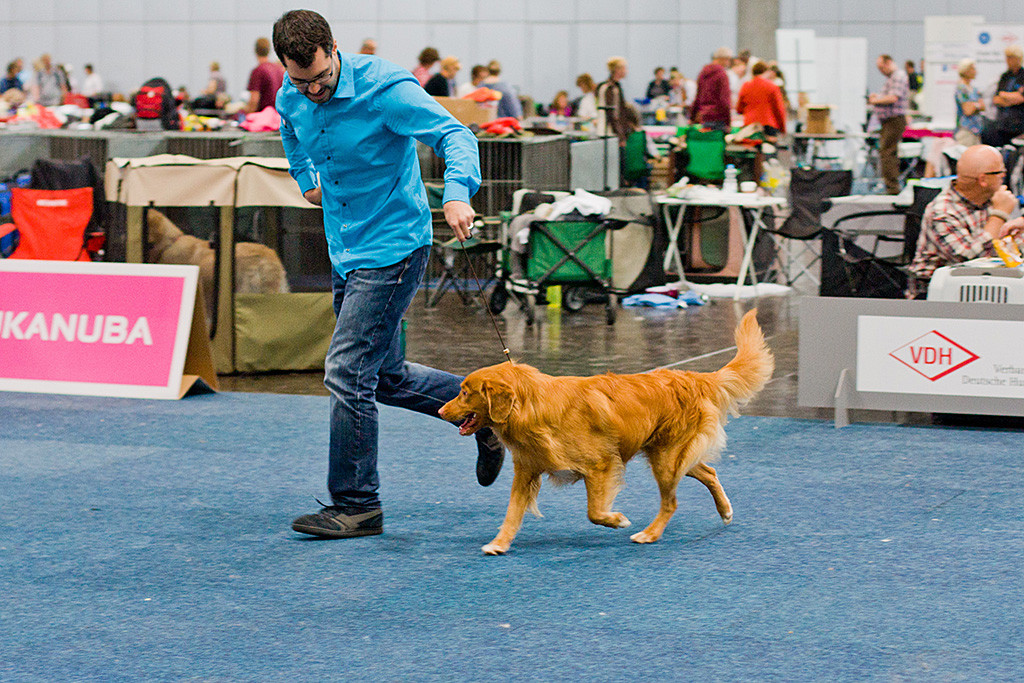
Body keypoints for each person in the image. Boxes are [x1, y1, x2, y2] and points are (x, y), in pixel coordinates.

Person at [271, 9, 504, 539]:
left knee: (346, 371)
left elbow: (454, 134)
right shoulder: (292, 93)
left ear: (334, 50)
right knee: (384, 377)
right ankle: (488, 412)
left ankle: (357, 504)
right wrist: (307, 179)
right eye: (299, 80)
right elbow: (290, 130)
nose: (312, 91)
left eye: (320, 79)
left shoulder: (386, 87)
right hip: (344, 248)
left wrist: (459, 194)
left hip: (395, 248)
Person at [909, 145, 1024, 294]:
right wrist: (999, 215)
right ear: (983, 180)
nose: (1004, 176)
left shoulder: (994, 200)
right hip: (939, 298)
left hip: (992, 287)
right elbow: (970, 262)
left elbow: (1015, 248)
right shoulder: (942, 211)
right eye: (1000, 172)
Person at [868, 54, 909, 194]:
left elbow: (892, 98)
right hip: (889, 121)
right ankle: (891, 187)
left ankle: (892, 189)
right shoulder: (892, 78)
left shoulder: (898, 76)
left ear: (888, 62)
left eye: (881, 67)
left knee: (887, 153)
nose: (880, 71)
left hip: (894, 120)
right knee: (887, 153)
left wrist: (875, 101)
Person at [981, 45, 1024, 149]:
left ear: (1018, 59)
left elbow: (1021, 98)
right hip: (1003, 124)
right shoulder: (1005, 76)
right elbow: (997, 99)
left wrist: (1005, 96)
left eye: (1011, 58)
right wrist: (1012, 98)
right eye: (1007, 58)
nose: (1008, 61)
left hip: (1019, 125)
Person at [736, 61, 786, 139]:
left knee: (751, 148)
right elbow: (779, 110)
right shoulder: (772, 86)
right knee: (769, 149)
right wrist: (783, 129)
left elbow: (739, 109)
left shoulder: (745, 86)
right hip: (768, 125)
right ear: (766, 72)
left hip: (750, 125)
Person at [691, 47, 733, 131]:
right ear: (724, 59)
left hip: (704, 117)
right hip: (718, 118)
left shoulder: (703, 73)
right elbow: (724, 100)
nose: (728, 63)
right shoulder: (722, 75)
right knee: (717, 143)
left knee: (706, 142)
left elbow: (698, 97)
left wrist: (692, 117)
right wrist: (728, 122)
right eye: (728, 60)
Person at [242, 37, 285, 114]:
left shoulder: (258, 71)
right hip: (278, 117)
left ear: (255, 51)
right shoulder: (279, 69)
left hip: (263, 118)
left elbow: (254, 101)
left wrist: (247, 114)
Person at [595, 56, 630, 145]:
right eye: (624, 68)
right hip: (609, 132)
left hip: (611, 132)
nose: (626, 71)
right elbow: (612, 113)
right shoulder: (610, 88)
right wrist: (621, 136)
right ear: (617, 69)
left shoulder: (614, 87)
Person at [954, 58, 985, 147]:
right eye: (973, 69)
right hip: (966, 130)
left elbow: (983, 106)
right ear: (966, 70)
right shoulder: (962, 88)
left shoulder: (974, 89)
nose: (976, 72)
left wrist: (974, 105)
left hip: (976, 130)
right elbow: (968, 110)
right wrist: (977, 105)